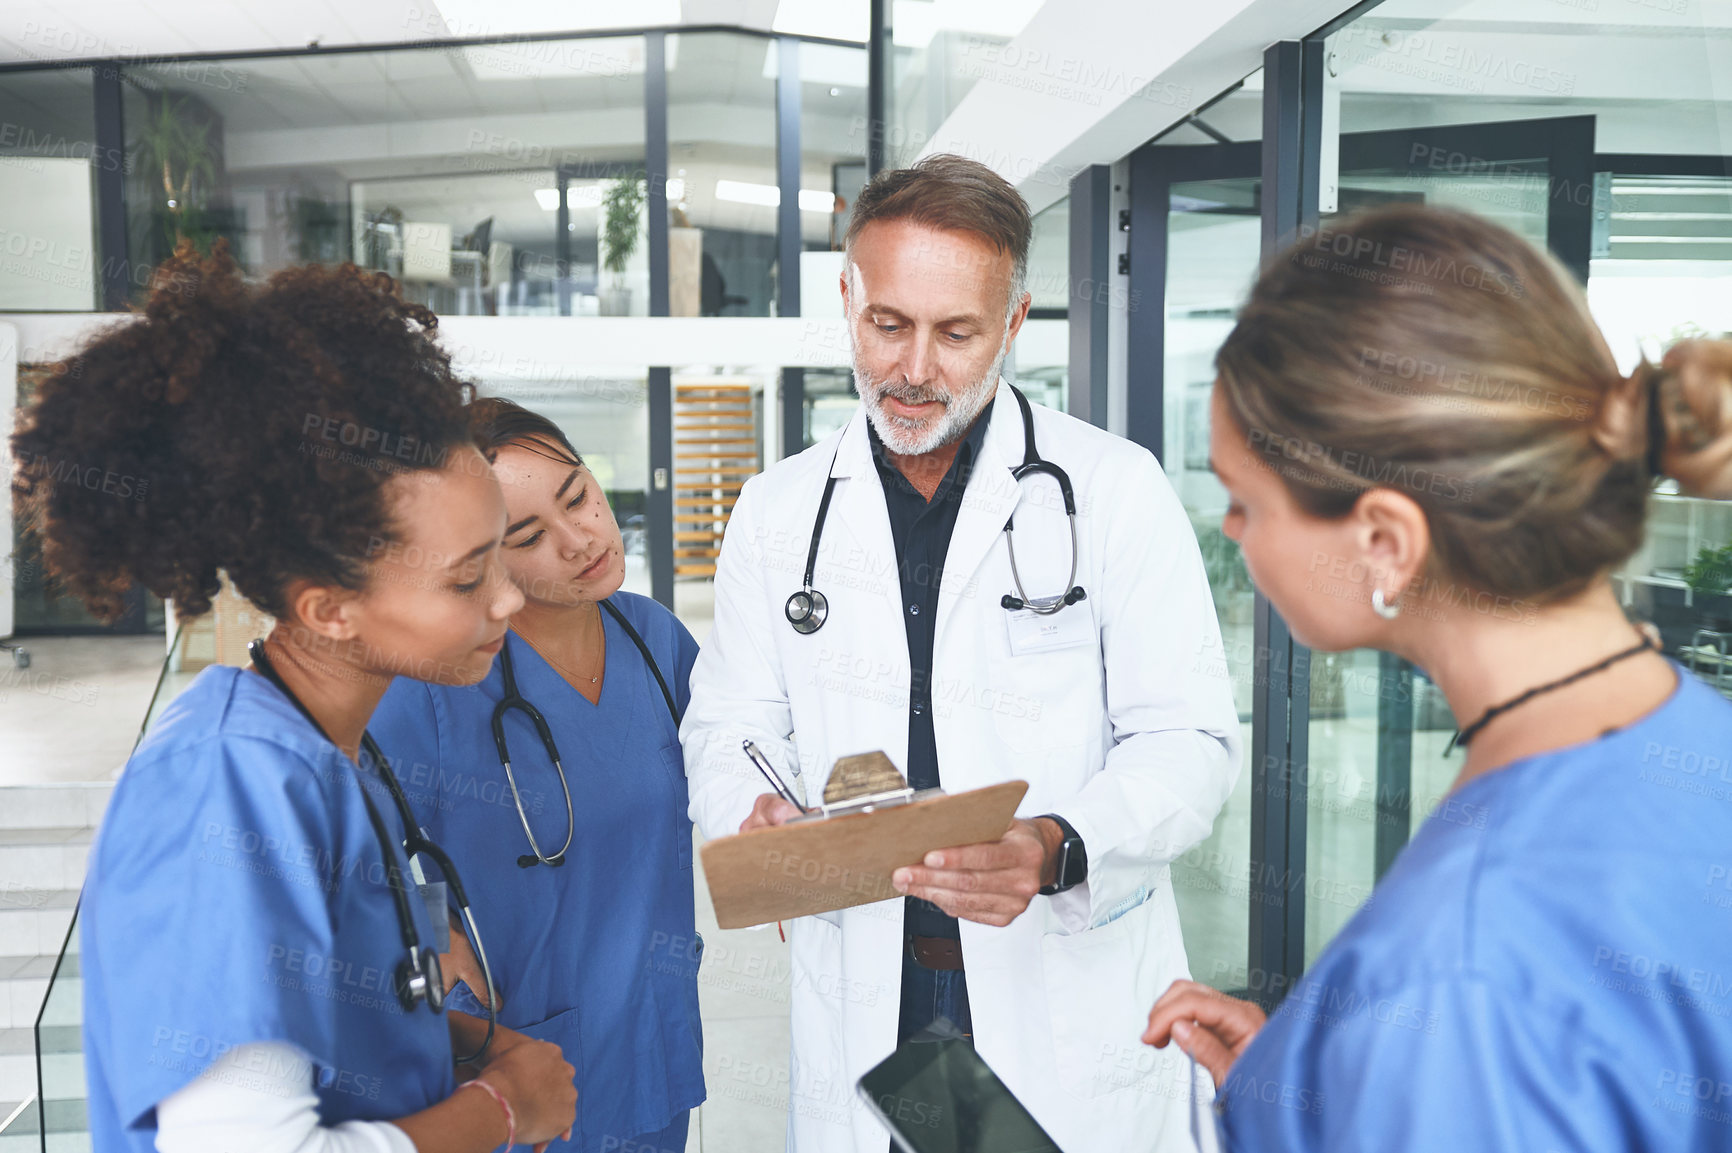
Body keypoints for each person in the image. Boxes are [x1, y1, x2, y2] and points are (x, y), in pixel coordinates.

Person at [681, 153, 1242, 1151]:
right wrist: (750, 812)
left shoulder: (1114, 491)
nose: (912, 368)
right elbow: (728, 721)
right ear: (847, 296)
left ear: (1014, 322)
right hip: (868, 971)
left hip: (1052, 966)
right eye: (887, 323)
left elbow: (1189, 741)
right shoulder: (778, 512)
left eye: (956, 332)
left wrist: (1058, 842)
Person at [1142, 204, 1732, 1150]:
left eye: (1245, 500)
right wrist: (1332, 1084)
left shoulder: (1460, 975)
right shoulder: (1693, 738)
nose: (1233, 536)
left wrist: (1398, 1077)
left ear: (1384, 540)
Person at [12, 243, 577, 1153]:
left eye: (500, 558)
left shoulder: (324, 755)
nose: (509, 600)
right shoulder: (225, 785)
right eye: (467, 579)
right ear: (330, 607)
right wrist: (505, 1110)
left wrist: (466, 1039)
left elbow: (341, 1009)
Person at [367, 398, 705, 1153]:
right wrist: (430, 929)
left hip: (651, 1040)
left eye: (578, 496)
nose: (580, 538)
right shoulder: (434, 684)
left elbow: (741, 761)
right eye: (528, 535)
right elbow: (356, 851)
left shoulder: (655, 640)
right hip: (519, 1062)